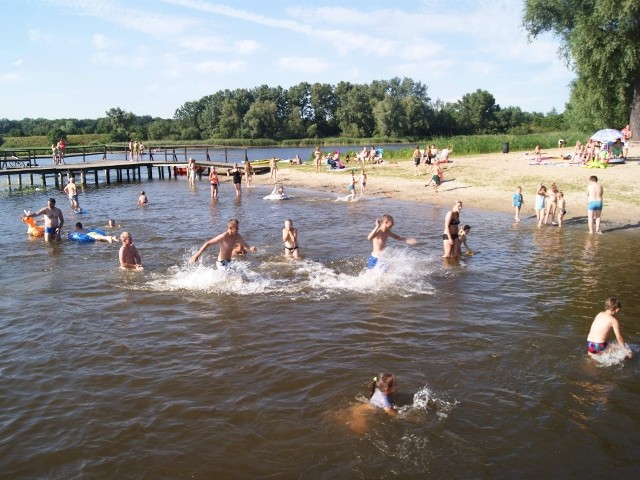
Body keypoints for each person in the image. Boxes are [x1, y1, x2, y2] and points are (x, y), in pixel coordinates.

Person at [189, 219, 257, 268]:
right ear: (231, 228)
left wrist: (251, 248)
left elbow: (245, 245)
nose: (238, 229)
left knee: (243, 276)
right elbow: (208, 243)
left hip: (229, 262)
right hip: (221, 264)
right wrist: (197, 255)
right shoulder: (223, 236)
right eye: (236, 228)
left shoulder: (237, 236)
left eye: (238, 227)